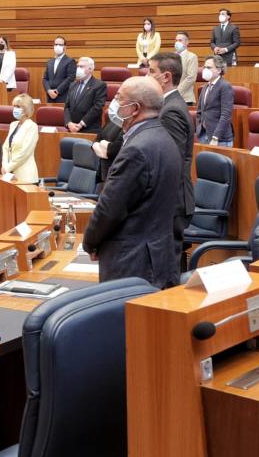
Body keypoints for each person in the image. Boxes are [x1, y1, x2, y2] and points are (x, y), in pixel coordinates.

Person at [82, 76, 182, 289]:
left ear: (135, 108)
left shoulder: (137, 149)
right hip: (158, 255)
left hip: (132, 263)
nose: (113, 104)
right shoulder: (164, 138)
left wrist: (89, 242)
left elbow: (110, 208)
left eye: (119, 98)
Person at [149, 53, 196, 250]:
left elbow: (171, 160)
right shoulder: (168, 105)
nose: (147, 76)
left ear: (166, 77)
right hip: (169, 200)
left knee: (168, 270)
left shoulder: (171, 111)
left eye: (152, 71)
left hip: (171, 201)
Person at [1, 94, 39, 183]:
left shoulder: (32, 126)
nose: (15, 109)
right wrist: (4, 166)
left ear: (26, 109)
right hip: (10, 175)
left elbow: (25, 152)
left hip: (25, 176)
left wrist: (8, 167)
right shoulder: (13, 125)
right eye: (14, 106)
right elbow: (6, 147)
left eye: (18, 106)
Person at [195, 55, 233, 146]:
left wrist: (216, 137)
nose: (205, 70)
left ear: (219, 70)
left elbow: (226, 115)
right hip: (204, 135)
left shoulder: (225, 86)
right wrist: (199, 128)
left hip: (220, 140)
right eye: (204, 67)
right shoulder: (205, 86)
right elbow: (200, 111)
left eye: (209, 67)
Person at [63, 57, 106, 133]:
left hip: (89, 129)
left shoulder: (99, 85)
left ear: (90, 69)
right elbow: (67, 107)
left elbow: (97, 108)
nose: (78, 69)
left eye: (81, 66)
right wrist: (69, 123)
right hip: (71, 128)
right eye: (78, 66)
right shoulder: (72, 85)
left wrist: (81, 124)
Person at [43, 36, 77, 103]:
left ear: (65, 47)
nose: (57, 46)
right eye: (56, 44)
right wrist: (48, 90)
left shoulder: (70, 61)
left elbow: (70, 78)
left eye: (60, 44)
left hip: (63, 97)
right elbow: (45, 78)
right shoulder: (50, 61)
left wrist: (57, 91)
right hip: (49, 97)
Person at [175, 32, 199, 104]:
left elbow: (191, 77)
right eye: (176, 40)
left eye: (180, 40)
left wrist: (176, 92)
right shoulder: (171, 56)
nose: (177, 42)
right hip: (170, 99)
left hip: (185, 99)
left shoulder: (191, 57)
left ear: (187, 42)